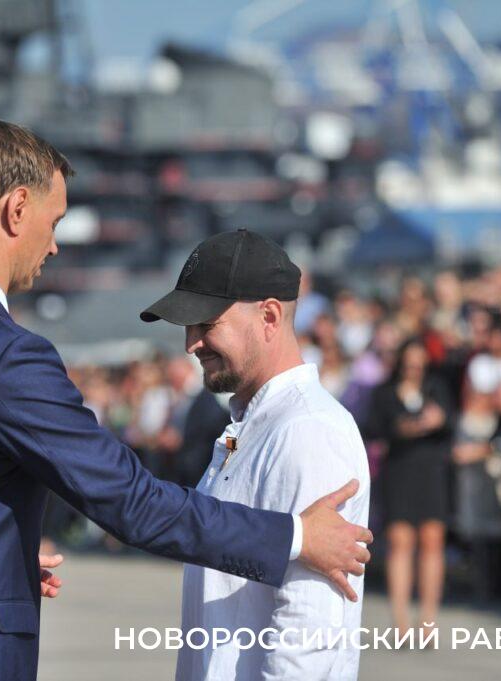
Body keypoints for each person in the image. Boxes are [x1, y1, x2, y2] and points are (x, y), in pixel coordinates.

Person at [0, 120, 373, 681]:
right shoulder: (7, 356)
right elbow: (130, 502)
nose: (54, 244)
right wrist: (295, 536)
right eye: (54, 221)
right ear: (17, 209)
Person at [141, 229, 370, 681]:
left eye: (206, 324)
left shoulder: (308, 430)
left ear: (269, 316)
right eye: (188, 327)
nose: (191, 344)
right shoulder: (251, 423)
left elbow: (309, 631)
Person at [365, 338, 453, 638]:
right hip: (399, 470)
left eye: (419, 363)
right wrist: (401, 428)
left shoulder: (437, 388)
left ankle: (428, 619)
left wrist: (439, 420)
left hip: (431, 470)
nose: (414, 369)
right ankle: (400, 619)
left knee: (432, 539)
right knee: (400, 541)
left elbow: (451, 424)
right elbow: (374, 427)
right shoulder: (384, 392)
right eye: (409, 363)